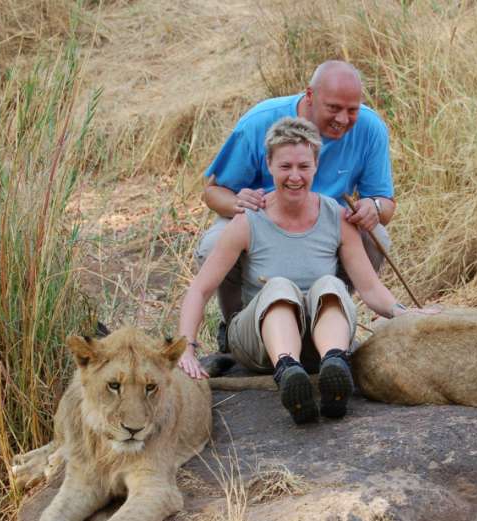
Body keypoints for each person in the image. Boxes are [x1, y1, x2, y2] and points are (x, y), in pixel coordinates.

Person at [178, 117, 432, 425]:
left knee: (330, 284)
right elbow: (200, 289)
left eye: (303, 166)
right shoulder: (248, 220)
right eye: (285, 167)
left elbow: (369, 288)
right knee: (279, 287)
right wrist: (186, 349)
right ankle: (288, 372)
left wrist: (403, 312)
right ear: (269, 165)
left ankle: (334, 365)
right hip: (261, 344)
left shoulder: (336, 216)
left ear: (316, 166)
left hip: (317, 341)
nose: (295, 176)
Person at [195, 60, 396, 350]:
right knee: (213, 244)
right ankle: (237, 325)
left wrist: (373, 207)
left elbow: (385, 204)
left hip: (326, 224)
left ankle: (329, 316)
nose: (343, 119)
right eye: (333, 108)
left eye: (352, 110)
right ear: (310, 95)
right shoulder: (259, 122)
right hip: (262, 219)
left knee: (376, 237)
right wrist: (237, 202)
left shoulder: (370, 128)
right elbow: (213, 191)